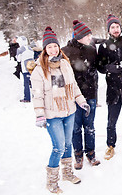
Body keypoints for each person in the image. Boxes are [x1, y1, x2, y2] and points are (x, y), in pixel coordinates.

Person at [31, 27, 89, 193]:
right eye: (49, 47)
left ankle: (67, 173)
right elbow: (37, 95)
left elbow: (73, 85)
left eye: (55, 46)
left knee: (68, 143)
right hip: (52, 115)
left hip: (69, 111)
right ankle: (52, 182)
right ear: (45, 49)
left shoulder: (64, 63)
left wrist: (82, 102)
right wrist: (40, 115)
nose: (53, 49)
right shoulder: (39, 70)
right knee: (58, 147)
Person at [62, 20, 100, 169]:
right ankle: (78, 155)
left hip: (90, 94)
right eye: (88, 35)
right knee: (75, 127)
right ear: (80, 36)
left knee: (90, 126)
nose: (90, 37)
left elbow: (97, 69)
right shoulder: (65, 51)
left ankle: (91, 154)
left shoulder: (91, 50)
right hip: (73, 97)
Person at [97, 14, 122, 160]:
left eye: (117, 27)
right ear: (108, 30)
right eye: (112, 27)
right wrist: (109, 68)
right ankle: (110, 145)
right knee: (111, 120)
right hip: (112, 88)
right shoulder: (104, 46)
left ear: (120, 28)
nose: (115, 29)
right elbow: (99, 67)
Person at [16, 36, 34, 102]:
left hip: (25, 68)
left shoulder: (19, 49)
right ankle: (35, 96)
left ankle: (27, 98)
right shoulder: (30, 48)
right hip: (32, 67)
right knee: (33, 82)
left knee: (26, 83)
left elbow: (18, 59)